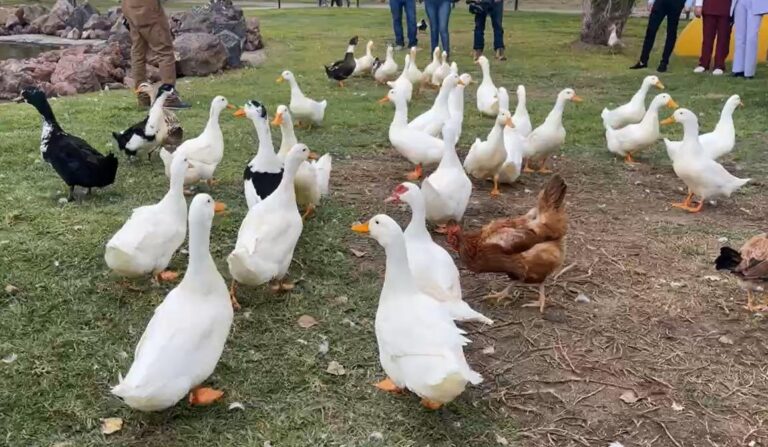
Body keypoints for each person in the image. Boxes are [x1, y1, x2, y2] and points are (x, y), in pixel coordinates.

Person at [121, 0, 188, 109]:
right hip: (148, 8)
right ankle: (169, 97)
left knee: (138, 52)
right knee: (164, 52)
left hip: (129, 7)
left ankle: (143, 96)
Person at [630, 0, 694, 72]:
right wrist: (651, 1)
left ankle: (664, 63)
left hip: (677, 2)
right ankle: (643, 61)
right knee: (651, 29)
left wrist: (688, 3)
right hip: (661, 2)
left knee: (671, 31)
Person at [693, 0, 733, 75]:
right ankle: (703, 64)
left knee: (723, 38)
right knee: (707, 37)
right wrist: (698, 4)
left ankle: (719, 65)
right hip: (709, 7)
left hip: (726, 8)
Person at [732, 0, 768, 78]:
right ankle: (738, 69)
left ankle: (749, 72)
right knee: (739, 36)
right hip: (739, 2)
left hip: (757, 3)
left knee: (751, 37)